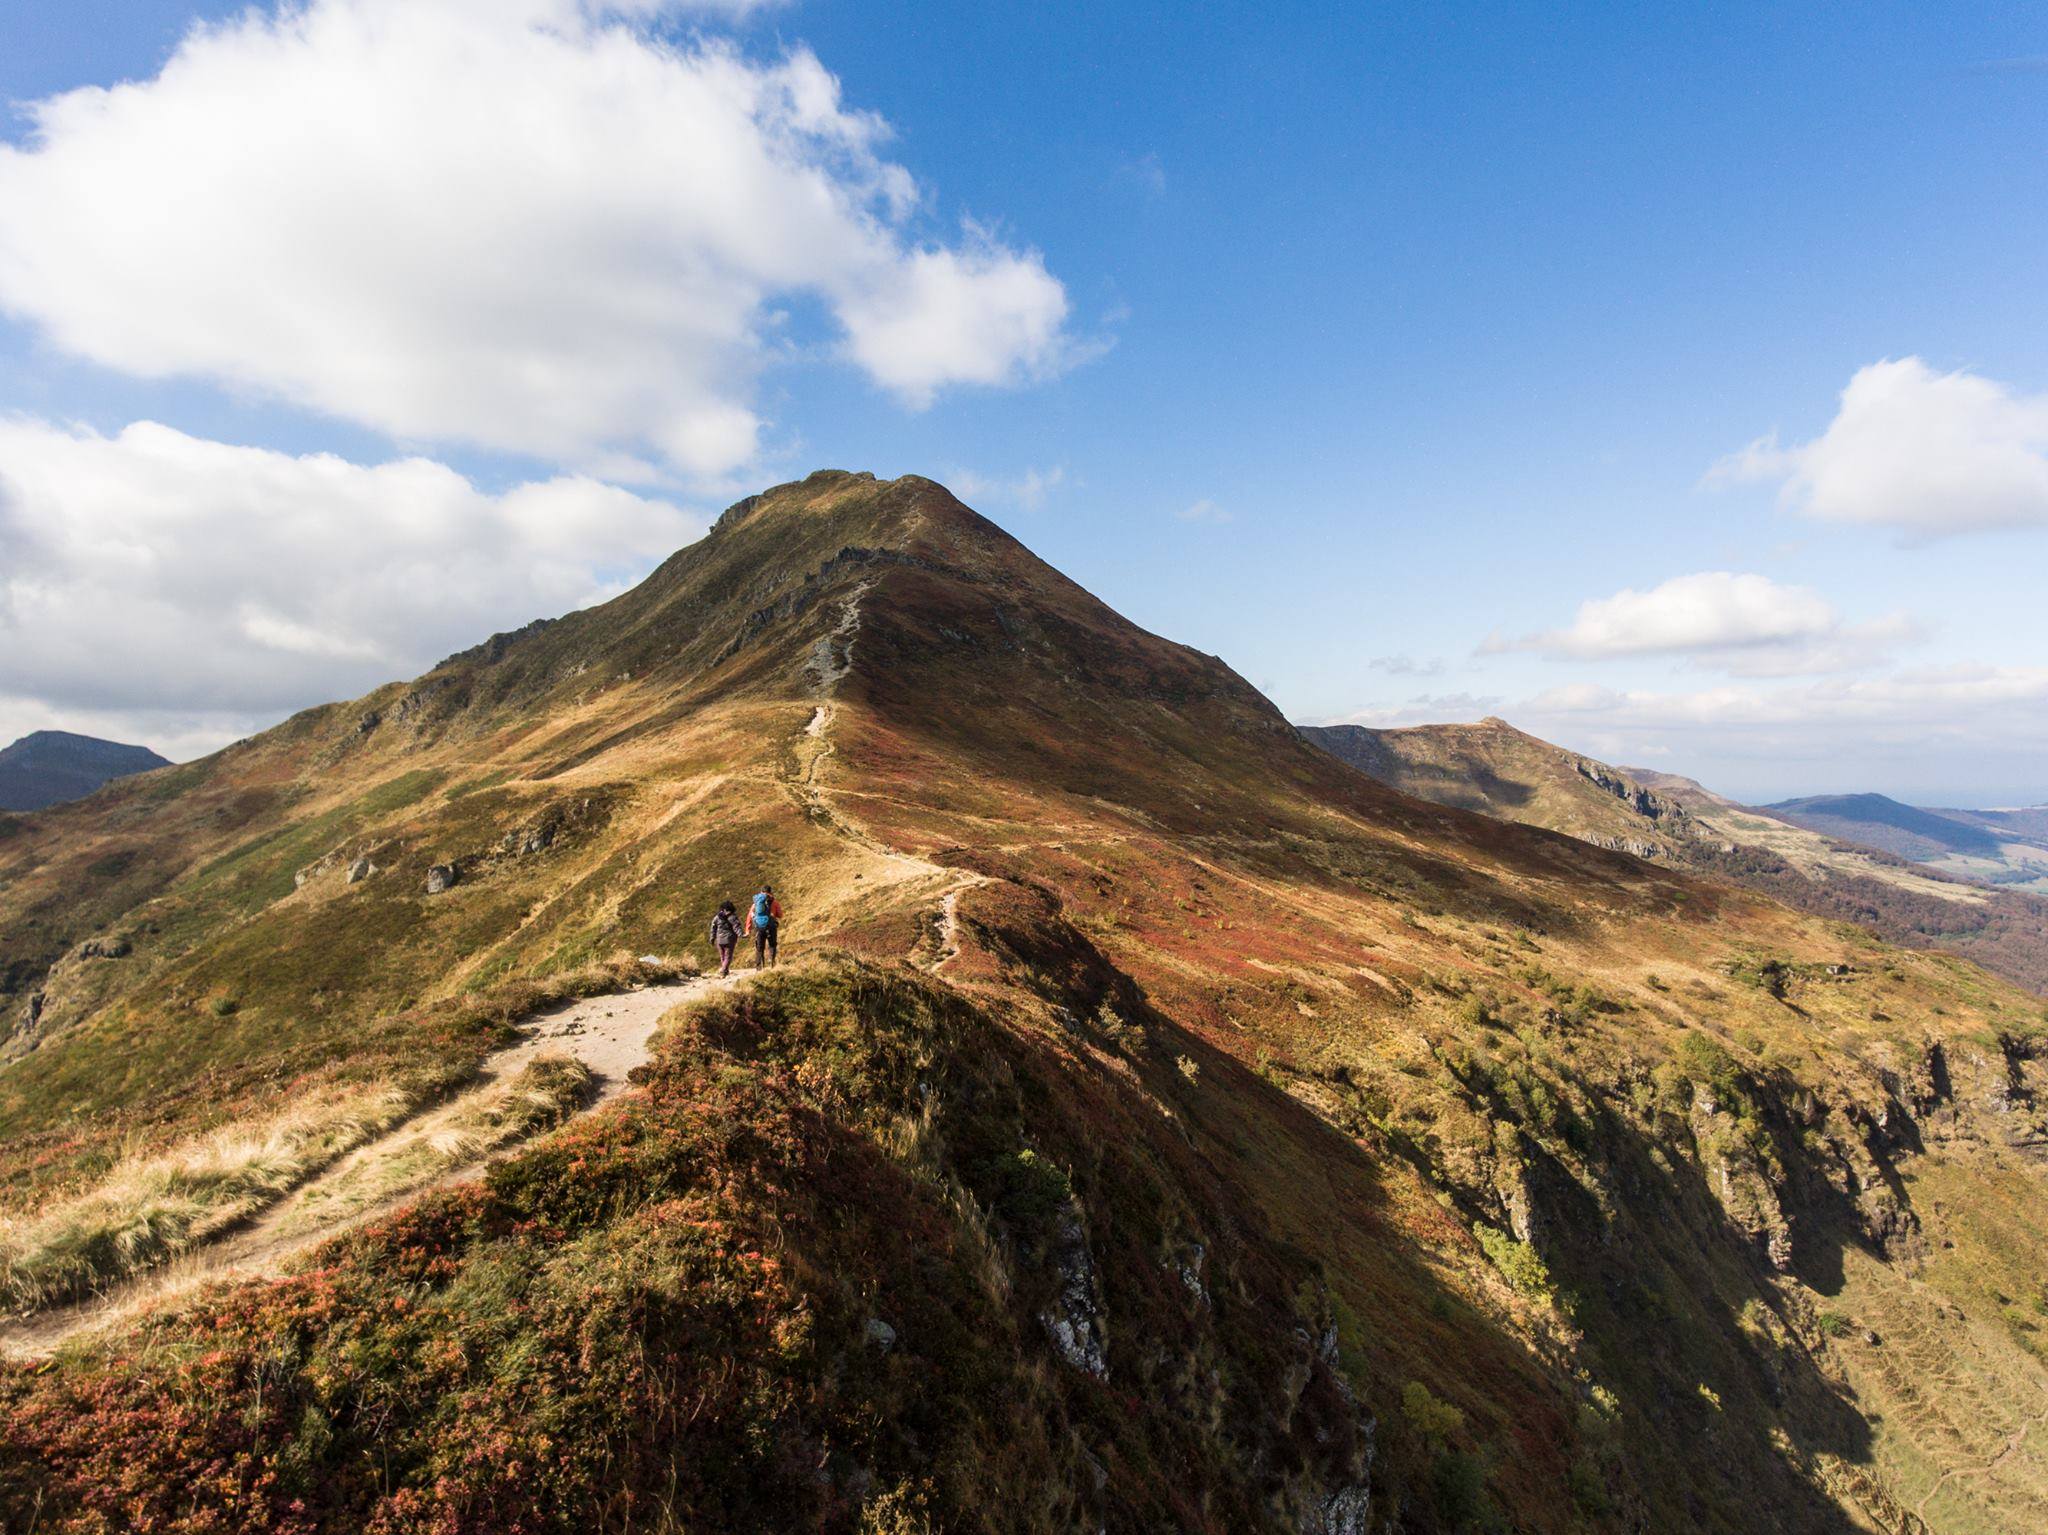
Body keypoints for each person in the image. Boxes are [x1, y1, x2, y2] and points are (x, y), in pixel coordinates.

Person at [745, 883, 782, 968]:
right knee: (772, 945)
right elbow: (780, 915)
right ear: (770, 892)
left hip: (759, 927)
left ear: (761, 892)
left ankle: (759, 967)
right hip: (771, 926)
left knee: (759, 947)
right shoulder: (774, 902)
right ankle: (772, 964)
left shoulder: (756, 903)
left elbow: (749, 916)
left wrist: (748, 930)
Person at [709, 899, 741, 978]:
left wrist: (712, 937)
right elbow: (736, 927)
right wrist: (741, 934)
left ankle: (725, 971)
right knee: (728, 957)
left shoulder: (717, 917)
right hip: (730, 939)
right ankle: (723, 971)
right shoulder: (733, 917)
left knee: (722, 956)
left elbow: (713, 928)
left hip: (719, 940)